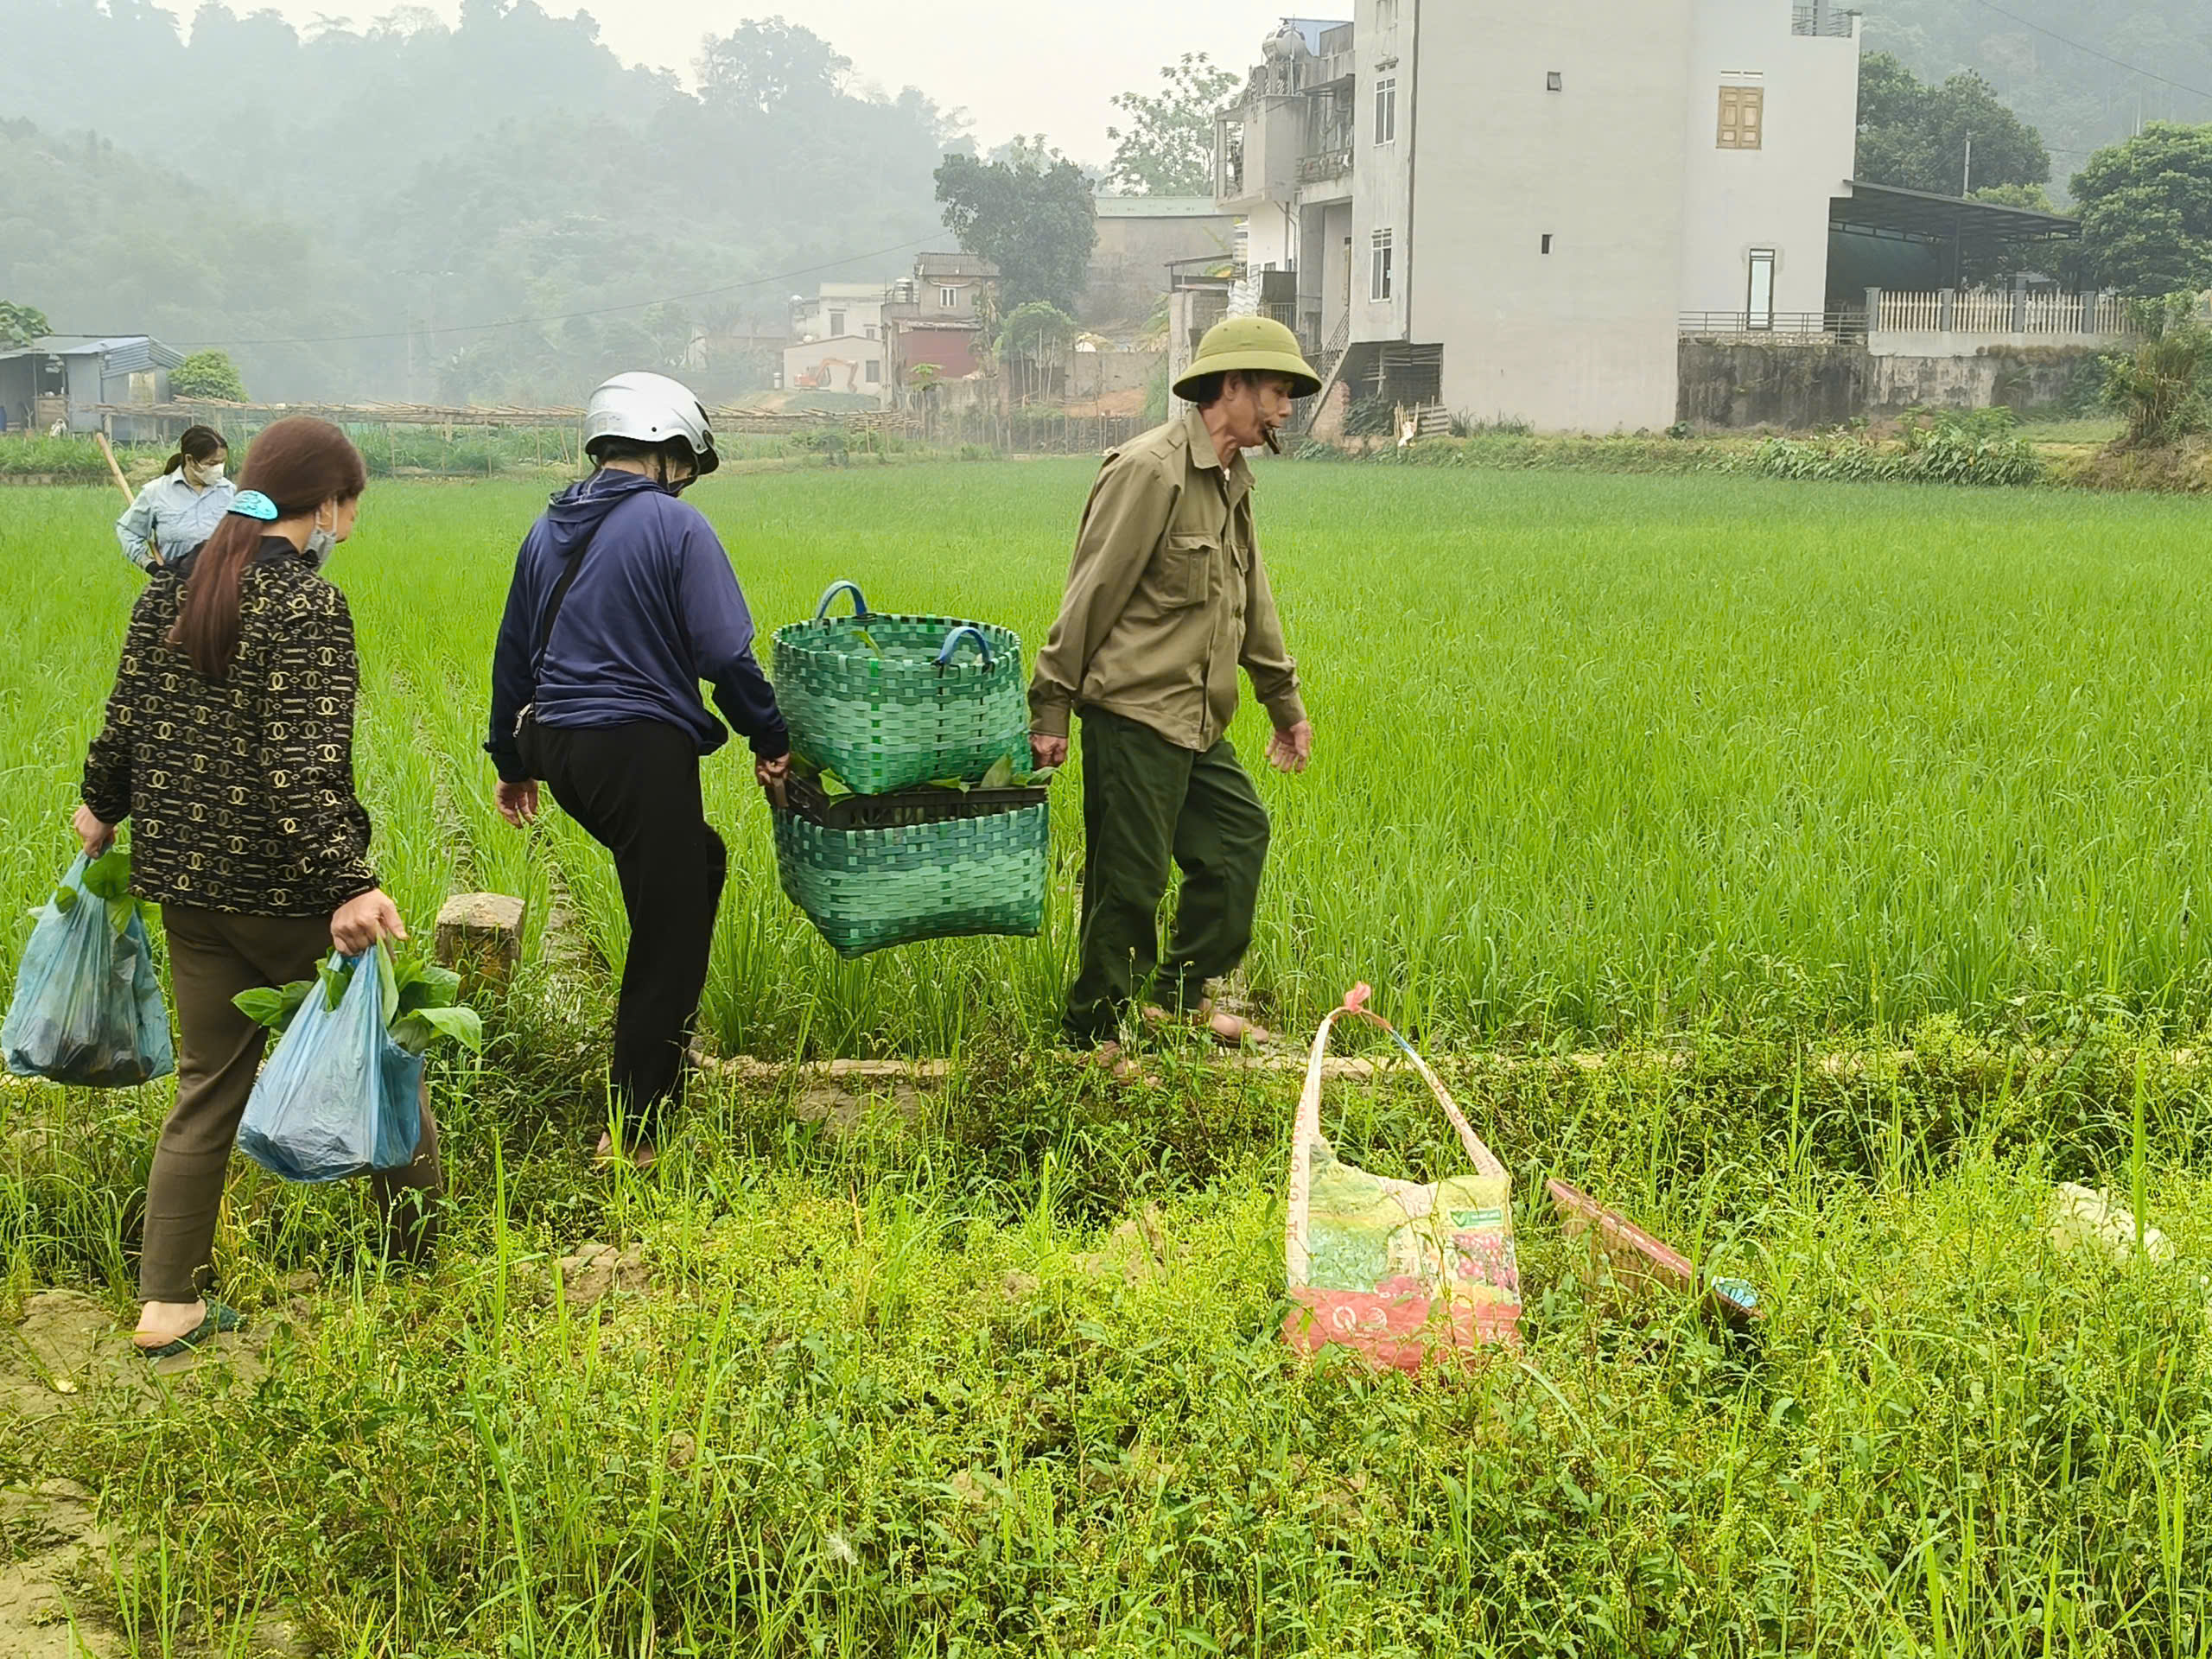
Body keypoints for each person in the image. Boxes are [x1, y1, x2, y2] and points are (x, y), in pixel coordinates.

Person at [77, 416, 442, 1357]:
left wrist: (100, 805)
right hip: (284, 895)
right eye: (350, 506)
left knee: (207, 1089)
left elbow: (126, 719)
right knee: (388, 1057)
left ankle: (169, 1306)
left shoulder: (171, 588)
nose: (351, 526)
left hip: (187, 887)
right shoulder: (307, 609)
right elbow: (301, 771)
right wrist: (350, 885)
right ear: (323, 504)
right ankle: (418, 1267)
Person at [486, 372, 791, 1168]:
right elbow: (725, 651)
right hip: (633, 745)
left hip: (558, 748)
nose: (684, 484)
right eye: (685, 465)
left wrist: (511, 762)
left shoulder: (546, 526)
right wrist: (769, 734)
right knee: (668, 933)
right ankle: (635, 1132)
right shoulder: (675, 529)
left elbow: (513, 652)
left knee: (696, 862)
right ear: (665, 448)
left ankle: (657, 1064)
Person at [1028, 316, 1319, 1067]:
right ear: (1232, 386)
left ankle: (1174, 999)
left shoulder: (1232, 482)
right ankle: (1090, 1039)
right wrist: (1052, 704)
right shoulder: (1149, 471)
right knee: (1130, 883)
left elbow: (1252, 600)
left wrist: (1283, 705)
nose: (1286, 410)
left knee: (1236, 841)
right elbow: (1090, 593)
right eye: (1278, 392)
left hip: (1198, 718)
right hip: (1133, 714)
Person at [116, 424, 236, 570]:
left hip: (222, 584)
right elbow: (128, 531)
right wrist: (148, 564)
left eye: (222, 462)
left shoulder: (231, 492)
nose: (219, 469)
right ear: (190, 459)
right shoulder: (156, 492)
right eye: (212, 463)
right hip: (176, 584)